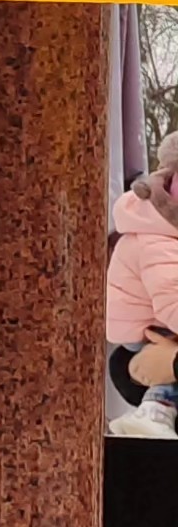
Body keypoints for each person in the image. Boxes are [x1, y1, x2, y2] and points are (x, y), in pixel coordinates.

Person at [108, 133, 178, 437]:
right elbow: (127, 367)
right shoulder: (160, 242)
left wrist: (173, 363)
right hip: (152, 329)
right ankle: (155, 410)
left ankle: (156, 409)